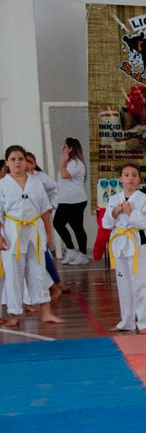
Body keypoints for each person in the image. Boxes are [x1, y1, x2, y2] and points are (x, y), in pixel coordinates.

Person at [0, 146, 65, 326]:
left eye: (20, 159)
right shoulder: (2, 184)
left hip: (35, 230)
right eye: (13, 159)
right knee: (13, 273)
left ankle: (46, 312)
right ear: (7, 163)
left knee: (39, 271)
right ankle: (14, 314)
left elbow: (45, 209)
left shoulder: (36, 182)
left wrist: (49, 234)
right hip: (12, 231)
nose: (17, 162)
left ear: (26, 162)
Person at [102, 163, 146, 335]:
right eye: (126, 175)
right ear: (120, 179)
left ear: (139, 179)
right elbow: (106, 224)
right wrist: (114, 213)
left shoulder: (145, 200)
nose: (130, 178)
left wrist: (131, 213)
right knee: (124, 285)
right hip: (120, 244)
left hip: (138, 244)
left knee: (142, 284)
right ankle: (127, 321)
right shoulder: (113, 199)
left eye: (134, 175)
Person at [24, 152, 69, 299]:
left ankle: (55, 284)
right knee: (30, 261)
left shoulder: (40, 178)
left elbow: (54, 190)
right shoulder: (12, 181)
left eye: (31, 163)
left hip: (37, 222)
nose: (29, 167)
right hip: (19, 225)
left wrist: (51, 206)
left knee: (41, 254)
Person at [55, 137, 90, 265]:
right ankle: (71, 250)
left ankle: (83, 254)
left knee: (77, 227)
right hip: (65, 201)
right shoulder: (69, 162)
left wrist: (62, 160)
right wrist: (64, 160)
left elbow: (65, 175)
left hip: (76, 201)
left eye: (65, 146)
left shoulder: (76, 163)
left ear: (70, 148)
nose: (63, 149)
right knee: (58, 224)